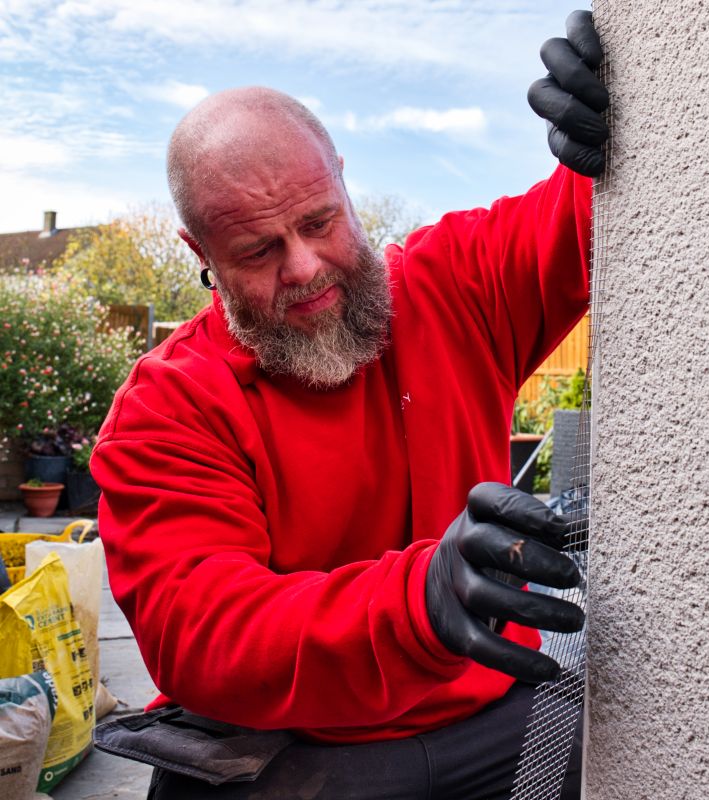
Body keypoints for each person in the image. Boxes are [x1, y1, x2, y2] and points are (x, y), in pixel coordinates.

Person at [90, 11, 609, 799]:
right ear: (201, 255)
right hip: (285, 750)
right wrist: (421, 601)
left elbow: (587, 216)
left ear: (341, 177)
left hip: (492, 717)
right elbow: (203, 634)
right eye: (258, 251)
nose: (304, 268)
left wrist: (613, 115)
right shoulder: (167, 404)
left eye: (319, 221)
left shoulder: (455, 285)